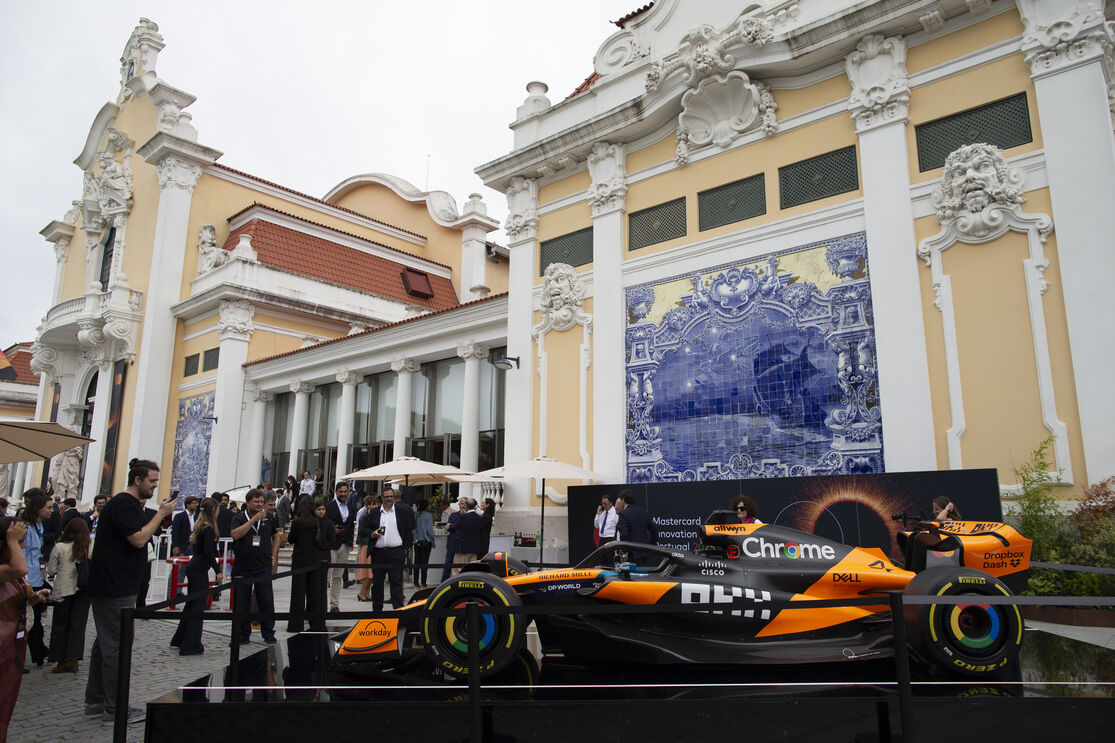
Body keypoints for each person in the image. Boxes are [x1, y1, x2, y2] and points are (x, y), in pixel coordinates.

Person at [85, 458, 175, 725]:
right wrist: (159, 514)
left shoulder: (129, 505)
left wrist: (158, 515)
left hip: (114, 584)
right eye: (152, 481)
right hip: (115, 586)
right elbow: (137, 539)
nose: (154, 486)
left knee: (105, 644)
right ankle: (114, 709)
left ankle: (96, 700)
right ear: (137, 480)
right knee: (116, 646)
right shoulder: (123, 503)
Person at [1, 516, 50, 741]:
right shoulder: (7, 569)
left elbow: (23, 590)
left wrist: (35, 597)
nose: (23, 547)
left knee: (5, 704)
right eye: (20, 543)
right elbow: (20, 568)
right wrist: (12, 541)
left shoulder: (13, 573)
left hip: (12, 645)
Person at [170, 498, 221, 656]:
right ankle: (190, 644)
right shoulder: (209, 529)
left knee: (191, 604)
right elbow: (208, 552)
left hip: (195, 567)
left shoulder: (202, 527)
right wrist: (218, 570)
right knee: (197, 605)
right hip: (199, 569)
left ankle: (180, 639)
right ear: (213, 511)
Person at [228, 488, 277, 645]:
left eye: (261, 502)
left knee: (266, 600)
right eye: (256, 502)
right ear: (248, 502)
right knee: (242, 602)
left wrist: (274, 554)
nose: (259, 505)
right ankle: (242, 634)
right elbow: (235, 535)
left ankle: (268, 632)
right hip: (243, 566)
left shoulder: (269, 518)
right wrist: (252, 521)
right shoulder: (239, 518)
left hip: (263, 565)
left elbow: (276, 536)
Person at [46, 517, 92, 673]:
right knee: (78, 626)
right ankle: (73, 658)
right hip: (83, 589)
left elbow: (51, 570)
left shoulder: (60, 546)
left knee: (60, 625)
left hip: (63, 590)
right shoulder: (88, 546)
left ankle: (60, 658)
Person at [360, 487, 415, 611]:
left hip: (396, 552)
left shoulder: (401, 511)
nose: (389, 499)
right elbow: (364, 529)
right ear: (382, 498)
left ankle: (398, 613)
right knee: (378, 583)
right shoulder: (374, 512)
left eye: (391, 496)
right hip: (378, 552)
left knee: (396, 583)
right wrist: (373, 533)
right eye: (386, 497)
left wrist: (405, 548)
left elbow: (409, 530)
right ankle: (377, 612)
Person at [20, 488, 54, 668]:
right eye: (48, 507)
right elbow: (23, 554)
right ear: (38, 508)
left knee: (34, 618)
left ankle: (39, 651)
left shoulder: (39, 526)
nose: (51, 510)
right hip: (26, 578)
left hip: (35, 576)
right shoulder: (26, 527)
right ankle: (36, 652)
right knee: (28, 618)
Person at [286, 498, 331, 633]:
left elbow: (291, 539)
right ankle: (316, 622)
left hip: (300, 560)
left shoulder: (298, 522)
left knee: (298, 594)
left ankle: (296, 624)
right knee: (314, 594)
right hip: (315, 561)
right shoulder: (317, 522)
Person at [324, 481, 356, 612]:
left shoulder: (350, 507)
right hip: (332, 544)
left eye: (345, 491)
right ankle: (322, 604)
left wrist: (350, 541)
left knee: (338, 576)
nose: (343, 494)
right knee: (327, 577)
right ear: (336, 492)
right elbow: (325, 522)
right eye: (340, 492)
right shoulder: (329, 506)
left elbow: (351, 525)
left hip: (345, 544)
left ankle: (334, 604)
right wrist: (332, 529)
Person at [616, 490, 658, 566]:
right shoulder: (643, 511)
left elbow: (624, 535)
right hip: (645, 551)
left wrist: (624, 552)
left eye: (620, 500)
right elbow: (654, 529)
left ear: (623, 500)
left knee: (633, 576)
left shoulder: (623, 514)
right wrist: (652, 545)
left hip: (632, 553)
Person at [354, 494, 377, 601]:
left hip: (370, 544)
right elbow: (361, 530)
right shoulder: (363, 515)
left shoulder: (371, 514)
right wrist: (372, 533)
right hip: (366, 544)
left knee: (371, 572)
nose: (376, 506)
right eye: (374, 504)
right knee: (368, 572)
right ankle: (361, 592)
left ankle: (367, 592)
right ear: (368, 505)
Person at [412, 500, 435, 588]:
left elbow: (414, 529)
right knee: (425, 563)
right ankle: (424, 583)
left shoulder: (417, 515)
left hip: (417, 541)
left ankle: (415, 582)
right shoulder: (428, 516)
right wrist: (432, 541)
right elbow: (429, 530)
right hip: (426, 541)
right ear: (426, 506)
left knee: (416, 562)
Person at [440, 500, 461, 582]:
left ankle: (444, 582)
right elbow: (448, 526)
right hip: (453, 543)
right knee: (450, 566)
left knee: (449, 566)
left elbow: (447, 526)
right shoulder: (454, 513)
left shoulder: (449, 513)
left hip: (455, 544)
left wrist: (450, 526)